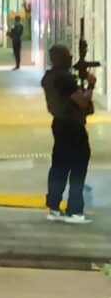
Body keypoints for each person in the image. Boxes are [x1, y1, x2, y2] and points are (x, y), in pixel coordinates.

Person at [42, 44, 95, 224]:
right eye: (67, 56)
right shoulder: (64, 79)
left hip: (60, 125)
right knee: (78, 166)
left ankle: (54, 207)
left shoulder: (49, 77)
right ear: (61, 58)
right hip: (72, 126)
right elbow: (81, 101)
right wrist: (91, 85)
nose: (71, 58)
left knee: (60, 166)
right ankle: (74, 210)